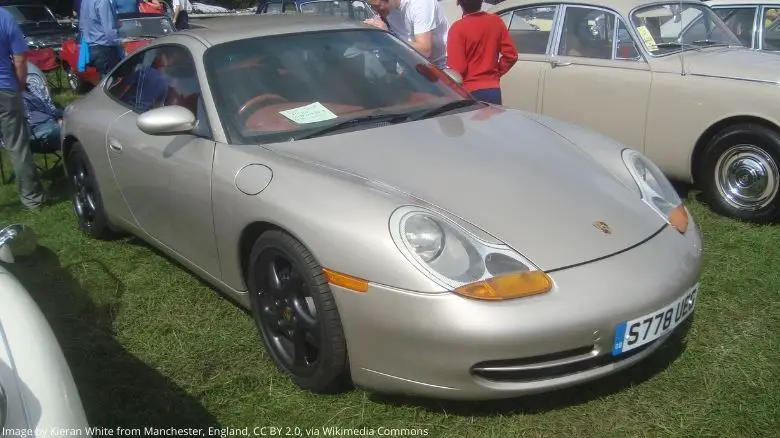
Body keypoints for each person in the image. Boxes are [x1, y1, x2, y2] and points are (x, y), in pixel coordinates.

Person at [0, 8, 45, 210]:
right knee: (16, 144)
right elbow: (19, 58)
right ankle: (32, 198)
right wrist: (18, 87)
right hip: (5, 88)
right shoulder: (5, 17)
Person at [445, 0, 517, 104]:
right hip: (493, 90)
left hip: (469, 91)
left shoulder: (457, 29)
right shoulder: (496, 21)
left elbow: (458, 69)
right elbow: (511, 55)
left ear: (459, 3)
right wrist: (495, 74)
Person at [364, 0, 449, 68]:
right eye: (372, 6)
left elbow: (425, 50)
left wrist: (388, 36)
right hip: (415, 66)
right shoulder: (387, 10)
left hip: (441, 66)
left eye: (378, 6)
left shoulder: (420, 4)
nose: (376, 11)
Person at [23, 64, 63, 157]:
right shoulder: (10, 99)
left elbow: (47, 108)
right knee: (72, 129)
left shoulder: (29, 90)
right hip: (36, 135)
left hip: (49, 123)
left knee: (75, 115)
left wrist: (59, 116)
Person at [79, 0, 123, 78]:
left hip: (91, 47)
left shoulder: (85, 1)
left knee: (104, 82)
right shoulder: (103, 1)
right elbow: (109, 30)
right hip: (105, 49)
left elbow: (82, 26)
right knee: (113, 83)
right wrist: (121, 43)